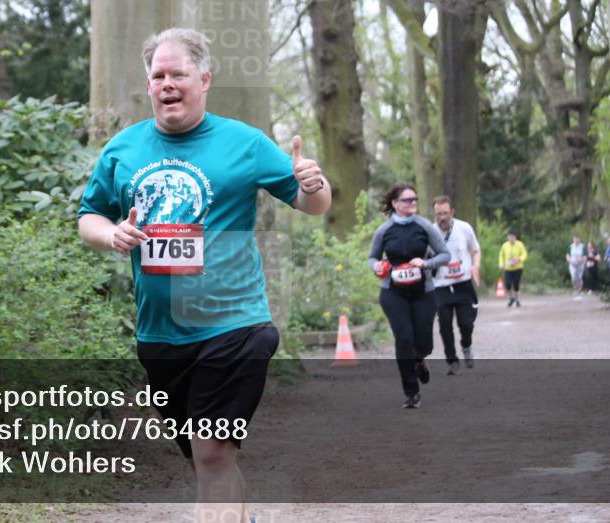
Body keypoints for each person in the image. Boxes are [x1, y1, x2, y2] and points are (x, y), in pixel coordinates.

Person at [78, 28, 331, 522]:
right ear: (149, 85)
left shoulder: (244, 143)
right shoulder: (123, 149)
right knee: (204, 459)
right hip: (160, 334)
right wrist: (111, 236)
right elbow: (90, 216)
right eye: (158, 76)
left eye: (178, 74)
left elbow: (312, 205)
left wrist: (314, 184)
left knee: (212, 453)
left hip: (234, 325)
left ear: (205, 79)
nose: (167, 83)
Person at [367, 183, 450, 409]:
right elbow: (372, 258)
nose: (413, 203)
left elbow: (445, 254)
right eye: (407, 200)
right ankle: (411, 393)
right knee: (404, 339)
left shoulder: (425, 227)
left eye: (414, 199)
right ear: (395, 204)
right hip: (393, 293)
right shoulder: (384, 231)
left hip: (423, 292)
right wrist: (377, 267)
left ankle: (420, 359)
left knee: (423, 343)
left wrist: (426, 263)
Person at [430, 196, 481, 375]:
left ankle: (466, 345)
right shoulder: (430, 232)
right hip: (441, 286)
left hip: (463, 283)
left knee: (466, 323)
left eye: (445, 213)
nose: (441, 217)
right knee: (444, 325)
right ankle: (452, 360)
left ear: (452, 212)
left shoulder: (464, 228)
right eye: (438, 214)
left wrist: (475, 266)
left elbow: (475, 250)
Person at [498, 230, 527, 308]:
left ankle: (517, 299)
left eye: (512, 237)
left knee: (516, 284)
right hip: (508, 268)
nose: (510, 238)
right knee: (507, 284)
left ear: (515, 237)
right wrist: (501, 263)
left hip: (518, 268)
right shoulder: (505, 245)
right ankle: (511, 298)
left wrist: (519, 259)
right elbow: (501, 255)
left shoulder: (520, 244)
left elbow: (524, 254)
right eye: (509, 237)